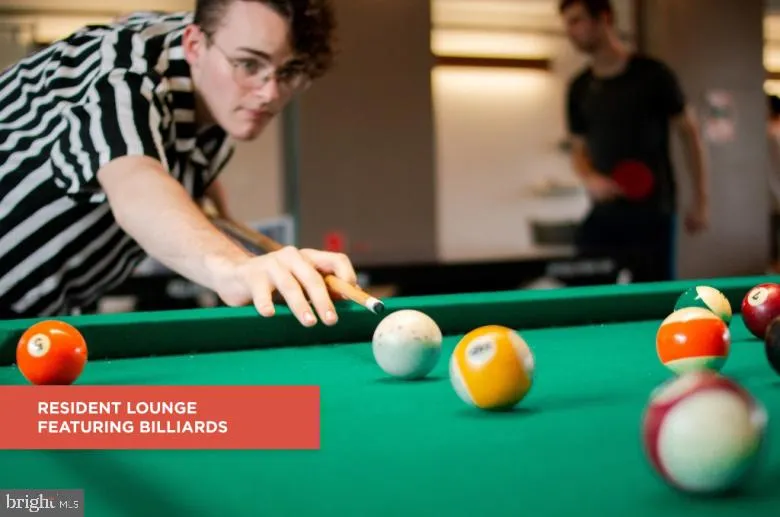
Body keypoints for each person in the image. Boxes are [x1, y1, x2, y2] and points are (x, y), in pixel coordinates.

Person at [0, 0, 358, 327]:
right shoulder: (120, 67)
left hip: (45, 318)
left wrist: (194, 187)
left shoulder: (215, 85)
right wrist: (235, 267)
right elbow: (135, 184)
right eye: (250, 64)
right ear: (194, 45)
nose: (270, 94)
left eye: (290, 70)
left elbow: (158, 164)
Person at [560, 0, 709, 282]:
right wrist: (590, 177)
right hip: (605, 212)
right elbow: (578, 150)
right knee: (581, 281)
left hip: (654, 210)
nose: (570, 30)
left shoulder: (653, 74)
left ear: (603, 18)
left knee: (654, 291)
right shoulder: (578, 88)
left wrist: (701, 201)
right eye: (567, 23)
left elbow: (689, 134)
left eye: (576, 20)